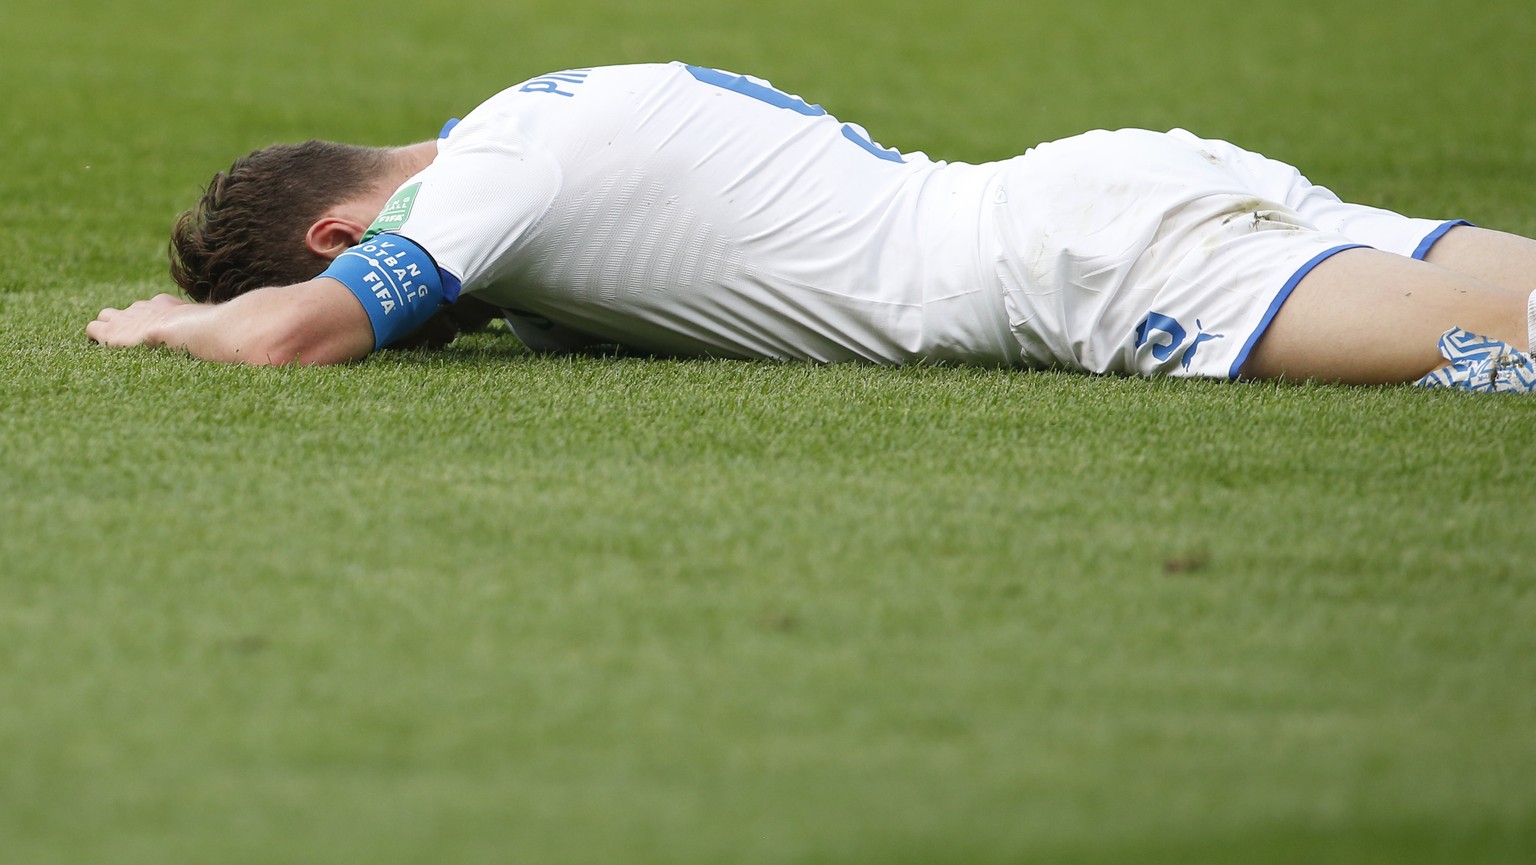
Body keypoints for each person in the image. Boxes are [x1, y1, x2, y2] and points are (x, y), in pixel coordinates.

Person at [87, 61, 1536, 392]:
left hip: (1075, 272)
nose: (439, 325)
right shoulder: (531, 112)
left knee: (1497, 353)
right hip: (1090, 190)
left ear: (347, 234)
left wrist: (173, 320)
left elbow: (287, 340)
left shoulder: (491, 179)